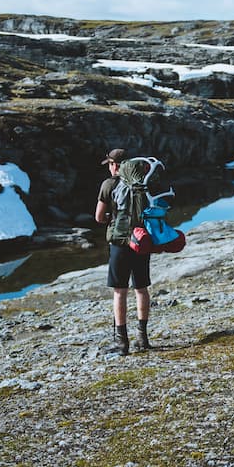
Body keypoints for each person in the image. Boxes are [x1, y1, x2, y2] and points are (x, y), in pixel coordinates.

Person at [95, 148, 152, 355]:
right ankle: (142, 338)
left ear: (115, 165)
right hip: (141, 240)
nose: (110, 168)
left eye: (110, 164)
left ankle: (121, 342)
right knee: (141, 288)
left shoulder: (109, 184)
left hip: (120, 243)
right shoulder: (143, 182)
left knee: (120, 291)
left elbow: (99, 217)